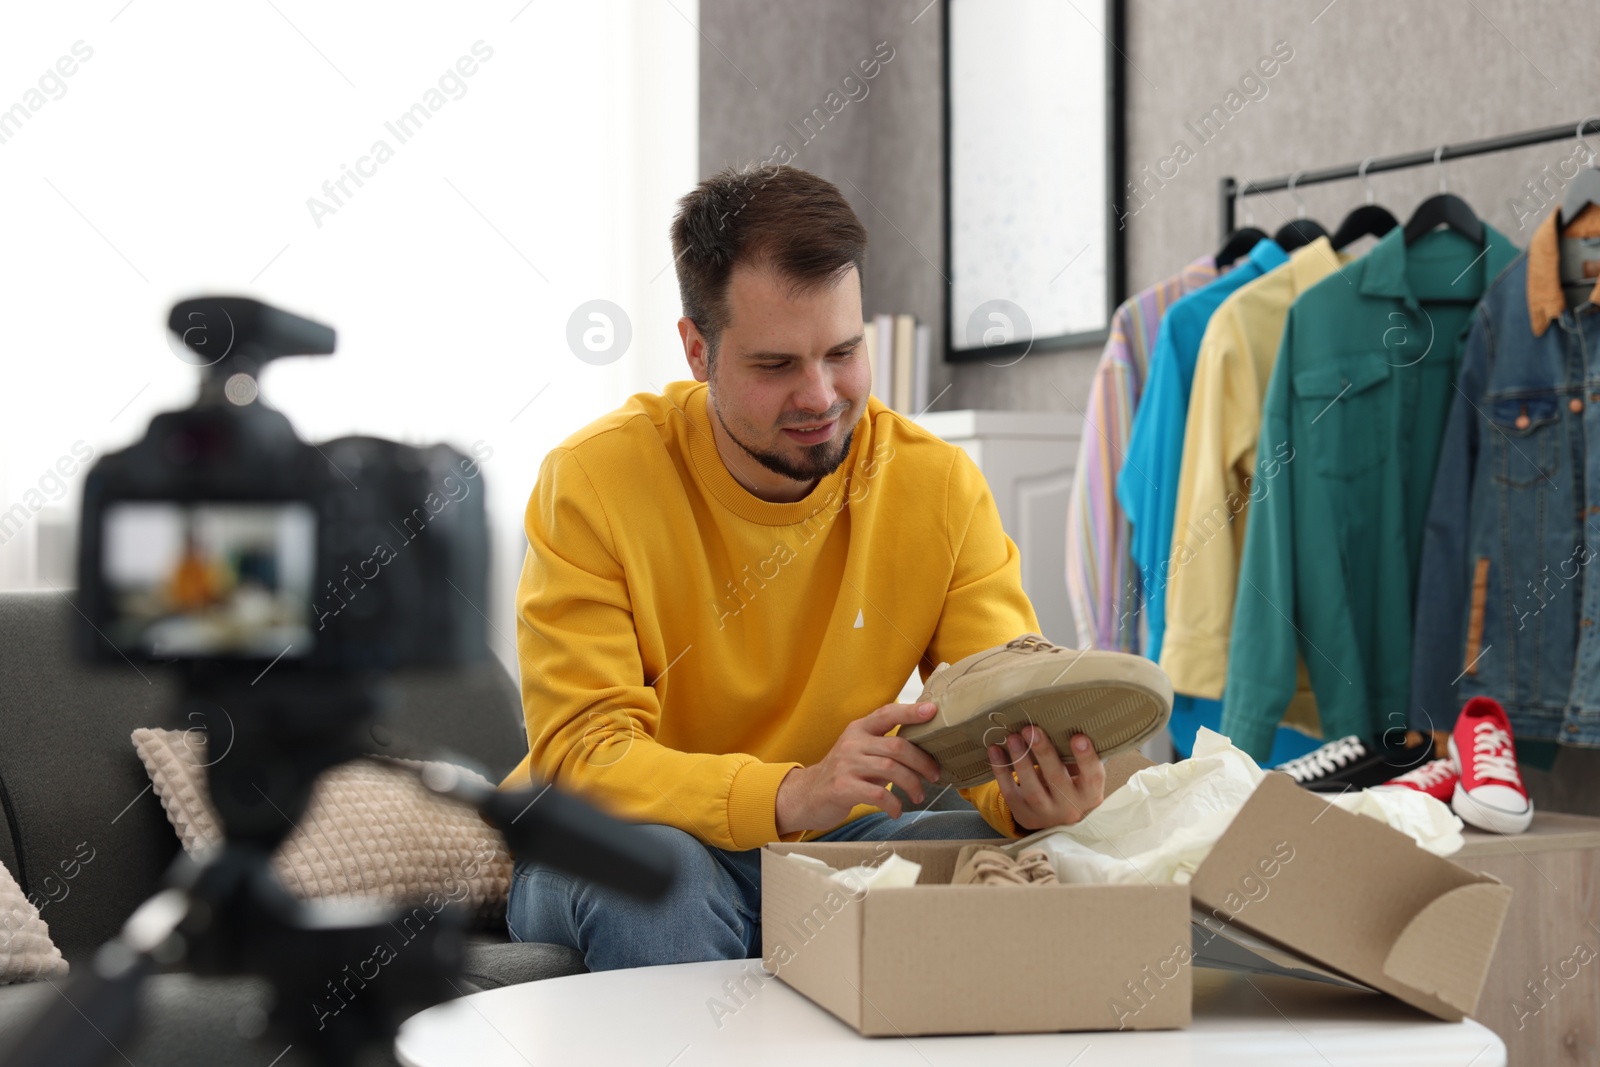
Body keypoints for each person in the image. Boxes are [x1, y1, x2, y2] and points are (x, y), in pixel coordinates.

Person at [501, 163, 1106, 970]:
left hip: (830, 832)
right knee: (666, 878)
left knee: (1038, 859)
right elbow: (582, 756)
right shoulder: (593, 481)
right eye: (775, 365)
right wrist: (789, 792)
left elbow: (998, 702)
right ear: (697, 351)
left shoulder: (936, 485)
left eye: (844, 352)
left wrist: (1032, 798)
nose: (820, 395)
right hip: (621, 838)